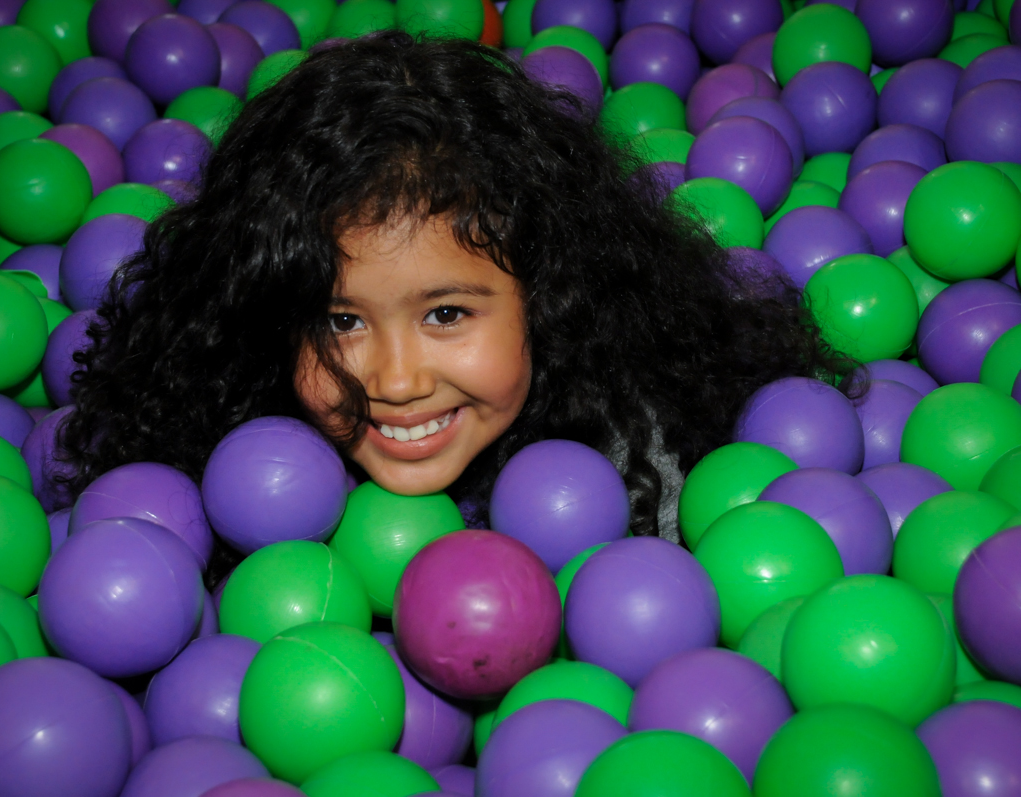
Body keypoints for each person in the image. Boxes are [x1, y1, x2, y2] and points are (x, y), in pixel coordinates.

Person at [58, 31, 853, 575]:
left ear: (547, 301)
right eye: (341, 321)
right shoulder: (221, 478)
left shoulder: (638, 467)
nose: (397, 382)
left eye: (446, 314)